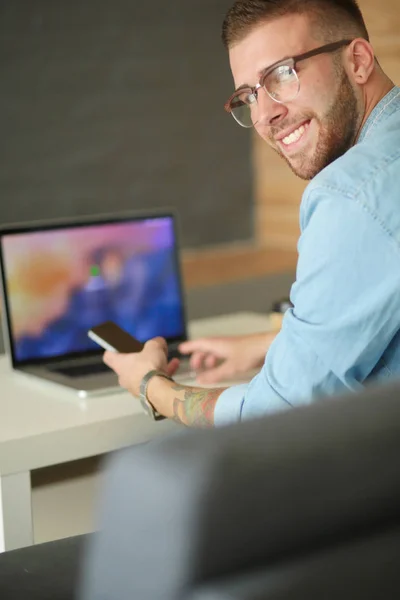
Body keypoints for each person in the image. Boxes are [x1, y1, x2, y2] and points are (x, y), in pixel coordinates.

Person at [104, 0, 400, 427]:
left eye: (282, 75)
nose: (265, 116)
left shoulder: (349, 196)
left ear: (357, 60)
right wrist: (271, 342)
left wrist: (150, 384)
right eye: (249, 95)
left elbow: (277, 414)